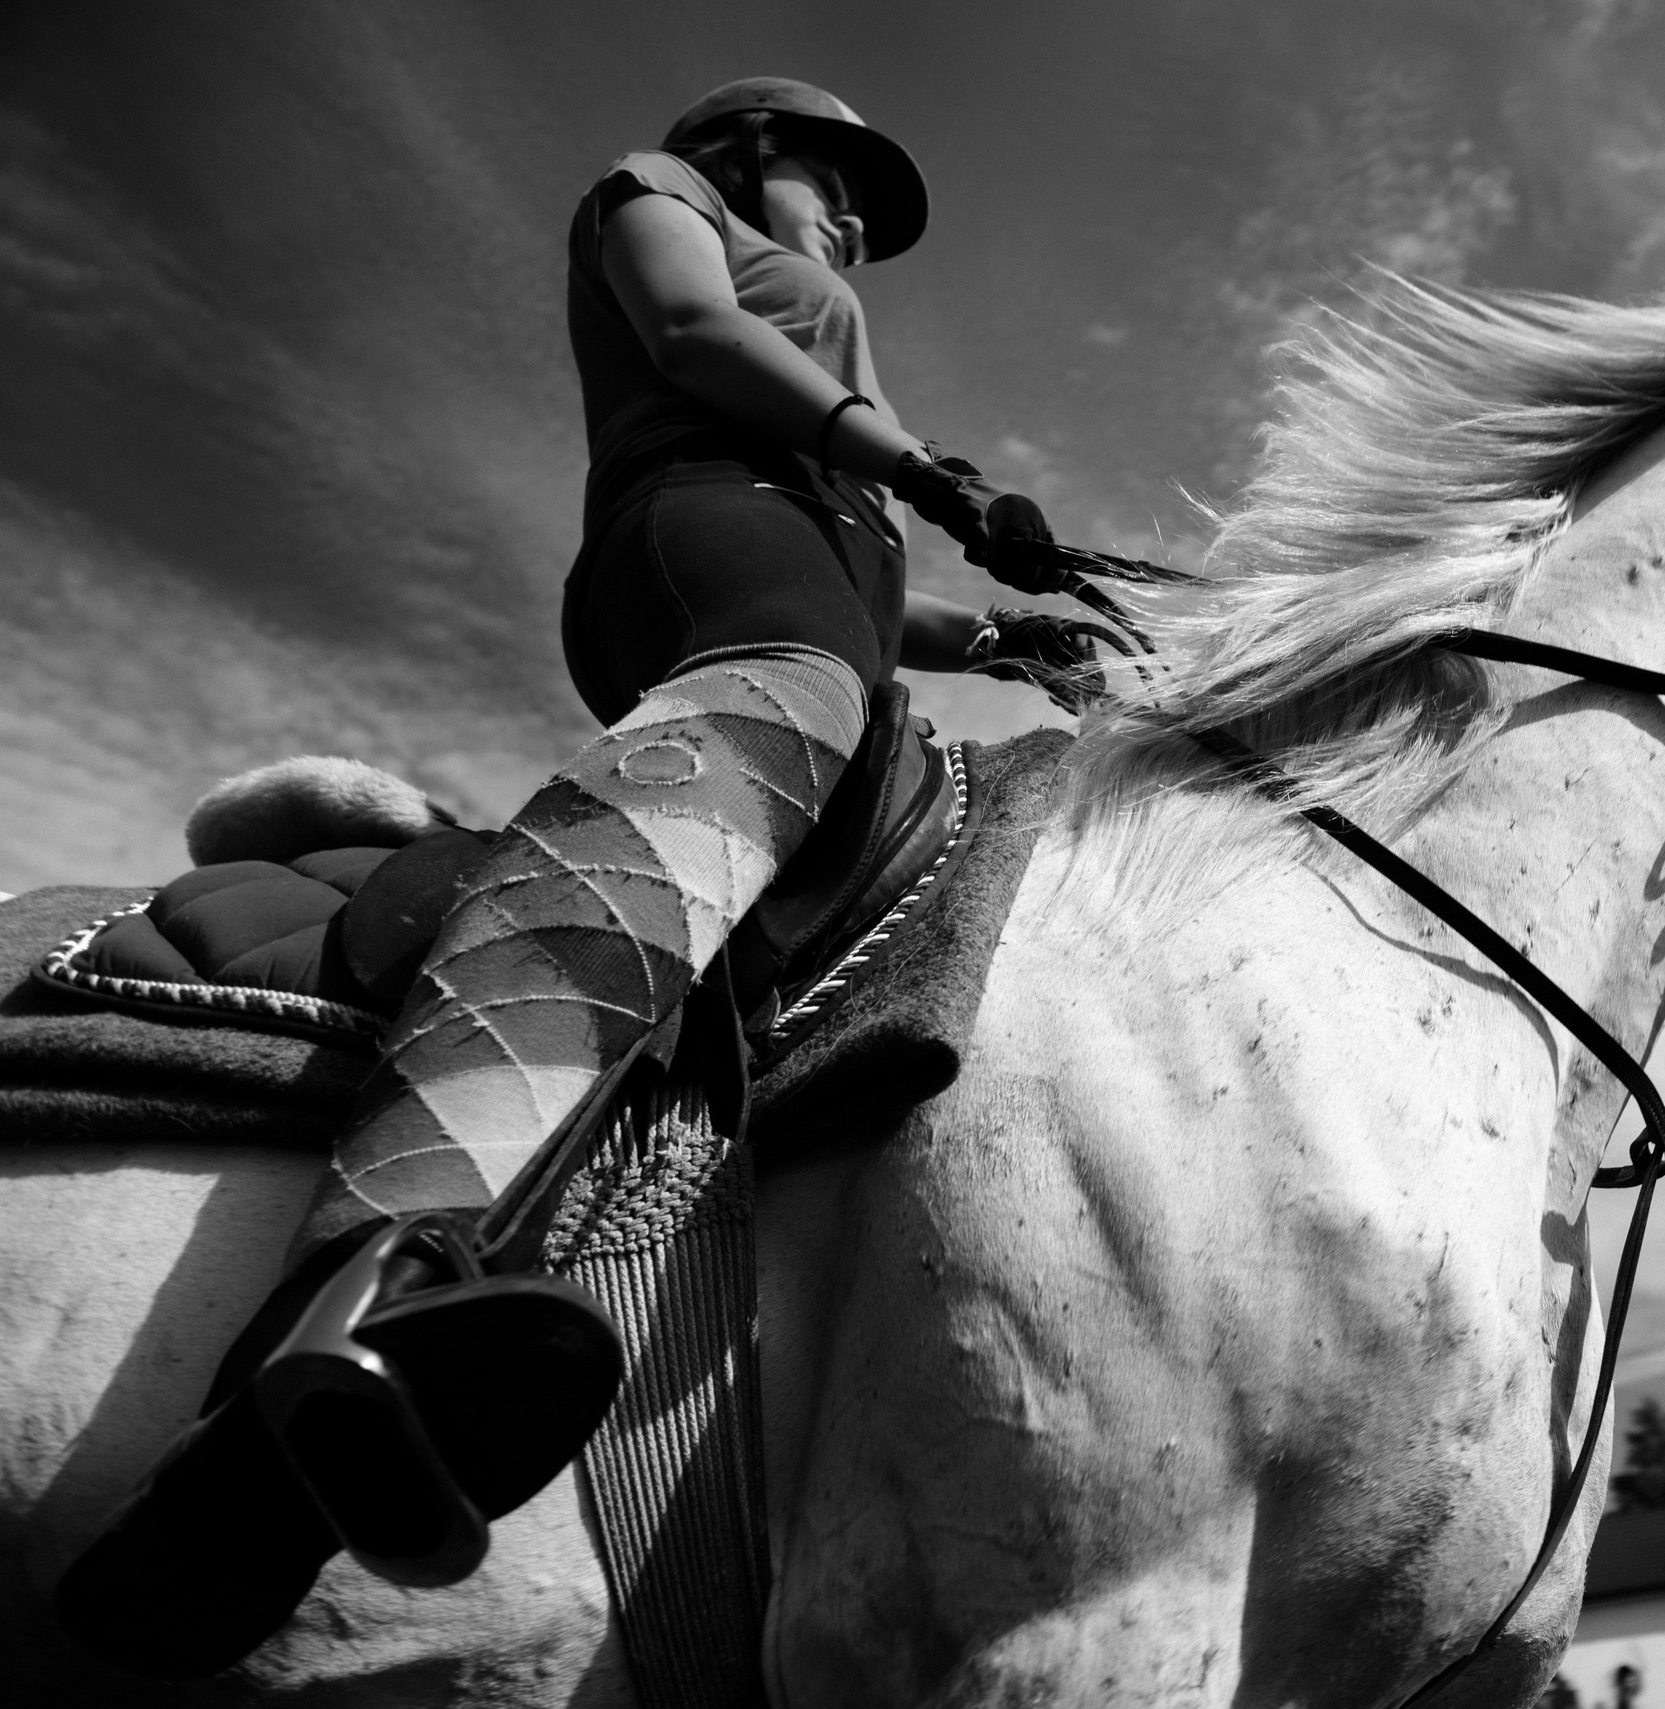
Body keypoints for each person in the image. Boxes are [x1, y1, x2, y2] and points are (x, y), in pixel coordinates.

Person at [60, 76, 1091, 1677]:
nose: (862, 221)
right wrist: (936, 475)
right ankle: (355, 1293)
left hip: (820, 568)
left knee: (863, 741)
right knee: (790, 708)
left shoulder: (829, 365)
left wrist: (999, 630)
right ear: (748, 154)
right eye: (839, 180)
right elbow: (689, 339)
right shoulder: (650, 192)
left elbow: (862, 568)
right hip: (705, 541)